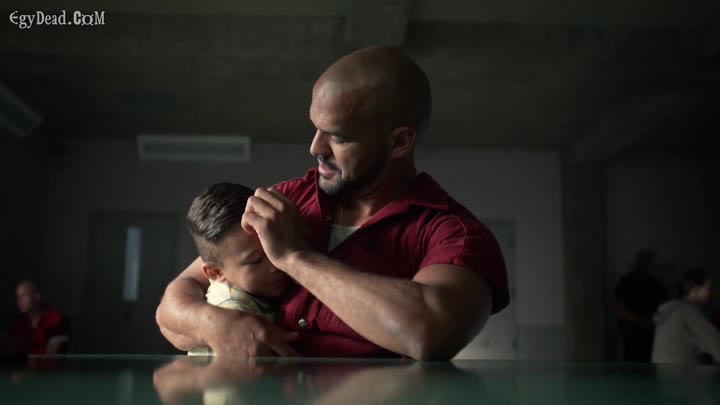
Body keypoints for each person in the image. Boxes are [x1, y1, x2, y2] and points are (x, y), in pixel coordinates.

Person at [155, 46, 509, 360]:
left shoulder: (455, 236)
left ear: (399, 142)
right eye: (316, 128)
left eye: (337, 137)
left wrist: (295, 258)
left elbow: (428, 334)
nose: (315, 147)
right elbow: (174, 305)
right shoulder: (284, 200)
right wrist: (215, 326)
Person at [185, 182, 290, 355]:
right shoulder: (230, 308)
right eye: (255, 261)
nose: (275, 265)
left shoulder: (258, 292)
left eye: (276, 246)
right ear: (215, 273)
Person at [652, 269, 720, 364]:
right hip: (680, 370)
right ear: (696, 289)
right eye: (708, 288)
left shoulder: (670, 308)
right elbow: (715, 345)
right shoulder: (688, 312)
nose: (711, 292)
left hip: (662, 369)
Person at [614, 249, 667, 362]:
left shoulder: (656, 284)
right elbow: (620, 306)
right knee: (631, 360)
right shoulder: (626, 282)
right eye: (640, 261)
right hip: (631, 330)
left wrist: (649, 322)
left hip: (650, 329)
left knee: (648, 359)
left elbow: (662, 308)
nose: (643, 264)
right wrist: (637, 321)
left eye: (646, 262)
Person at [11, 280, 69, 354]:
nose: (19, 301)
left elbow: (52, 353)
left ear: (37, 297)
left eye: (24, 296)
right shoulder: (20, 322)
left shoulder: (53, 318)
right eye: (18, 297)